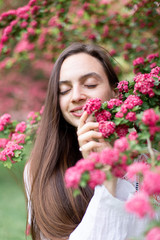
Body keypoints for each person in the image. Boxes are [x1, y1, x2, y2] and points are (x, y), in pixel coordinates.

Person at [24, 42, 152, 240]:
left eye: (90, 84)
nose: (76, 96)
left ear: (115, 92)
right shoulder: (39, 170)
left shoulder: (149, 164)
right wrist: (104, 181)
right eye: (64, 90)